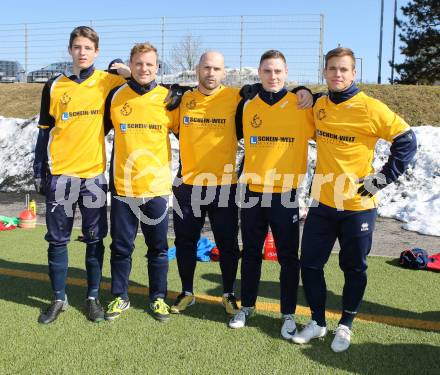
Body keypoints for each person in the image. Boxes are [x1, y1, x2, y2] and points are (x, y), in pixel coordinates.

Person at [292, 47, 417, 352]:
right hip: (322, 202)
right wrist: (301, 89)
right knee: (309, 265)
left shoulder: (370, 107)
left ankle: (345, 325)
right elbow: (293, 97)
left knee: (354, 268)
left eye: (344, 69)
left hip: (358, 207)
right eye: (332, 68)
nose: (338, 74)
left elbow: (407, 140)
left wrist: (381, 179)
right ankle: (318, 323)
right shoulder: (319, 103)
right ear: (325, 72)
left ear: (353, 73)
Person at [169, 51, 313, 316]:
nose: (211, 73)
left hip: (225, 185)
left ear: (224, 73)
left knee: (228, 243)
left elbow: (269, 87)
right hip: (188, 185)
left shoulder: (238, 98)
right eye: (206, 68)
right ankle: (187, 292)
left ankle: (228, 294)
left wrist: (304, 90)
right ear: (197, 70)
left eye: (216, 69)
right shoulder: (183, 99)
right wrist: (171, 88)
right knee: (185, 241)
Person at [33, 26, 129, 324]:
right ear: (70, 50)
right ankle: (58, 298)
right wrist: (39, 169)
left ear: (96, 51)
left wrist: (124, 70)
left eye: (88, 47)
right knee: (57, 240)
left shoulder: (107, 82)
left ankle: (92, 297)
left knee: (94, 239)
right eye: (77, 47)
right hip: (60, 174)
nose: (82, 52)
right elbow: (43, 132)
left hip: (93, 177)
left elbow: (142, 79)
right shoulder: (53, 86)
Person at [228, 50, 315, 340]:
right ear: (259, 72)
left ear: (287, 72)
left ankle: (288, 313)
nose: (273, 76)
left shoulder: (302, 105)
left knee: (288, 258)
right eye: (267, 71)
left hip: (285, 195)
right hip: (252, 193)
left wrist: (309, 91)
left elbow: (331, 102)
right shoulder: (248, 104)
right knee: (250, 253)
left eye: (278, 71)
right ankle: (247, 306)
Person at [103, 42, 179, 322]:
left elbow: (190, 132)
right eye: (139, 64)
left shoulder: (169, 98)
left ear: (157, 67)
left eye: (149, 64)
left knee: (158, 249)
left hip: (157, 189)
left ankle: (158, 298)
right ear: (130, 66)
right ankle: (120, 297)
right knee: (121, 247)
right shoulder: (116, 97)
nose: (144, 69)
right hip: (123, 188)